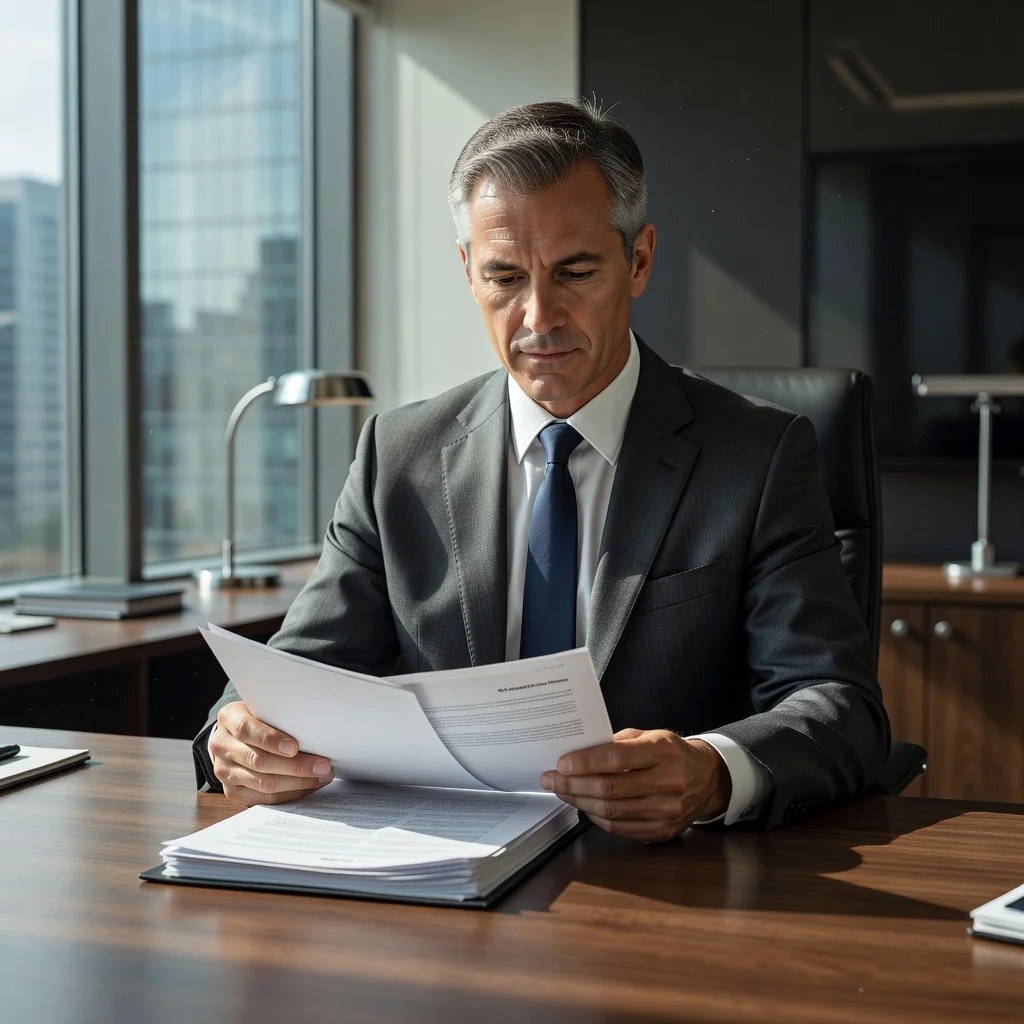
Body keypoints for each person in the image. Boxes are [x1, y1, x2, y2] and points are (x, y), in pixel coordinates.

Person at [193, 99, 889, 838]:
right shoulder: (397, 455)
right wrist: (236, 736)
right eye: (504, 278)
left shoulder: (757, 455)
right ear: (468, 271)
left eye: (575, 271)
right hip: (450, 873)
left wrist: (713, 771)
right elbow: (292, 678)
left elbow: (838, 705)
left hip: (669, 879)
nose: (538, 318)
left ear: (640, 260)